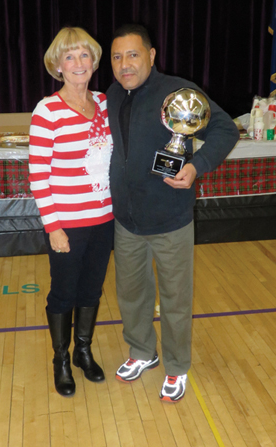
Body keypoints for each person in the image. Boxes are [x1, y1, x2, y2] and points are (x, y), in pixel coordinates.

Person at [106, 24, 239, 402]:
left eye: (132, 55)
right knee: (131, 294)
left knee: (175, 298)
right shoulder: (114, 95)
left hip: (170, 219)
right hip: (127, 220)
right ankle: (142, 352)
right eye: (117, 57)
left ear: (151, 55)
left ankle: (177, 366)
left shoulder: (180, 93)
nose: (124, 64)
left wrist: (196, 166)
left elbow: (225, 129)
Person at [28, 27, 114, 397]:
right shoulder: (47, 112)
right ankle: (60, 360)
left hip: (104, 220)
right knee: (64, 293)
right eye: (69, 56)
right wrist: (54, 227)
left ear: (94, 62)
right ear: (57, 65)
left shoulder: (106, 104)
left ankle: (82, 351)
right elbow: (38, 176)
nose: (78, 63)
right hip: (67, 224)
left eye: (84, 55)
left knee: (92, 291)